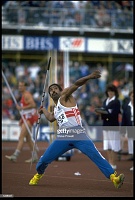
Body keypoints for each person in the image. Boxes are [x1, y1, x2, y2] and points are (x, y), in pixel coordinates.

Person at [29, 70, 125, 189]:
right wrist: (43, 110)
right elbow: (50, 118)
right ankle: (39, 174)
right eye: (51, 90)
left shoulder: (65, 96)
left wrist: (89, 76)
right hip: (63, 136)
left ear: (60, 90)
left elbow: (76, 84)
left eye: (55, 88)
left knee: (96, 155)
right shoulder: (57, 108)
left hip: (78, 133)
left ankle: (114, 178)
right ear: (49, 94)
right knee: (44, 160)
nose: (53, 90)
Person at [5, 80, 39, 163]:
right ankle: (34, 156)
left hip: (29, 119)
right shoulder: (23, 95)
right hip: (26, 118)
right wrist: (22, 115)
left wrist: (21, 108)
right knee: (28, 139)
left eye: (21, 86)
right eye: (19, 86)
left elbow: (33, 105)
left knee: (21, 137)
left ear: (25, 87)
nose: (20, 87)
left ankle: (15, 155)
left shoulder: (27, 95)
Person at [95, 84, 121, 170]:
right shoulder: (105, 100)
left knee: (113, 145)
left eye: (112, 91)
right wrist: (101, 113)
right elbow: (104, 111)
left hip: (113, 125)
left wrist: (104, 113)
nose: (110, 93)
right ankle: (110, 162)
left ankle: (113, 163)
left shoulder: (116, 102)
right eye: (109, 91)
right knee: (107, 144)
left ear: (114, 92)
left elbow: (115, 113)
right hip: (105, 125)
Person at [121, 89, 134, 171]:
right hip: (130, 128)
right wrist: (123, 131)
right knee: (132, 147)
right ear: (130, 96)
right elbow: (124, 119)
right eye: (132, 96)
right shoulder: (126, 106)